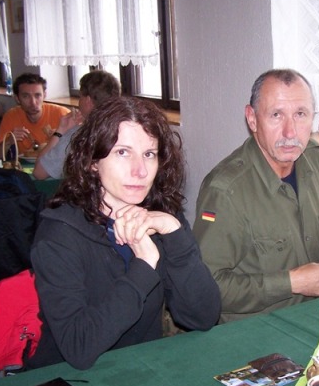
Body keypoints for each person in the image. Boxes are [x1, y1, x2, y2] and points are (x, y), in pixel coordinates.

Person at [27, 96, 221, 370]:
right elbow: (79, 347)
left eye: (149, 154)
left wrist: (175, 234)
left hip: (140, 372)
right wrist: (144, 266)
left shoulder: (160, 217)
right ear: (93, 161)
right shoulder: (60, 233)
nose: (139, 171)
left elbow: (203, 316)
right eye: (122, 152)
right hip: (67, 381)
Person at [193, 68, 319, 323]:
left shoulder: (317, 161)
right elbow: (206, 290)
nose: (290, 132)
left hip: (316, 314)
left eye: (300, 114)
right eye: (276, 115)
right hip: (256, 328)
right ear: (252, 119)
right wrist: (292, 282)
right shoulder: (225, 192)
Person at [33, 70, 120, 180]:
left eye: (80, 97)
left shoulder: (77, 136)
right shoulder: (125, 129)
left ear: (88, 100)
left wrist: (60, 132)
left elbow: (39, 173)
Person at [0, 73, 70, 159]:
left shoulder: (62, 114)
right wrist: (9, 141)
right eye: (26, 96)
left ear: (44, 95)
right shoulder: (11, 116)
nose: (33, 102)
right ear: (17, 99)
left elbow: (79, 151)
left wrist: (61, 139)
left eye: (37, 95)